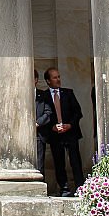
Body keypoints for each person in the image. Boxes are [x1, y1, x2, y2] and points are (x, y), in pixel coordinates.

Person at [44, 67, 84, 196]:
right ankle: (64, 188)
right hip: (55, 135)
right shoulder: (43, 96)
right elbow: (43, 115)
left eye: (59, 77)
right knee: (59, 162)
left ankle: (80, 187)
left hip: (70, 133)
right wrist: (52, 126)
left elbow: (78, 112)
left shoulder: (68, 93)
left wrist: (70, 125)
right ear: (48, 81)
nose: (58, 80)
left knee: (75, 161)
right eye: (55, 78)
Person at [35, 69, 53, 179]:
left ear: (36, 80)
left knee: (39, 163)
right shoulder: (18, 95)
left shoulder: (43, 95)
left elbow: (48, 112)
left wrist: (37, 123)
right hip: (21, 135)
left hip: (38, 134)